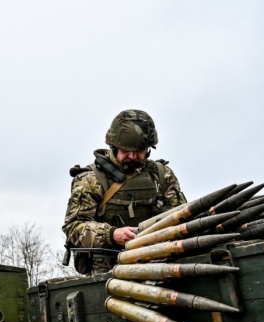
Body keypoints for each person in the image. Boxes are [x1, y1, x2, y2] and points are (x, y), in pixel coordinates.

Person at [62, 109, 186, 275]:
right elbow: (74, 227)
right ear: (113, 146)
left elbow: (182, 219)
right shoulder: (91, 179)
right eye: (126, 150)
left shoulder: (162, 176)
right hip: (109, 274)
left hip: (161, 267)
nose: (133, 156)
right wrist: (111, 235)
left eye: (139, 151)